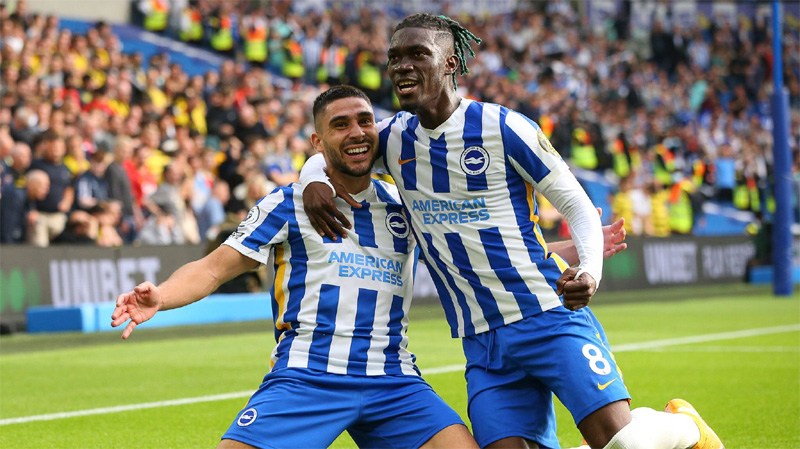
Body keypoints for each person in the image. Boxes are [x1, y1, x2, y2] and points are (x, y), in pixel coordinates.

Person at [300, 14, 723, 449]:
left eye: (417, 54)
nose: (401, 66)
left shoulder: (502, 127)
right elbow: (333, 151)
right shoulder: (392, 139)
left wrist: (590, 272)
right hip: (482, 343)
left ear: (449, 63)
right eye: (394, 58)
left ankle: (684, 425)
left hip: (547, 314)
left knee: (623, 444)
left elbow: (576, 204)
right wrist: (313, 178)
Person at [111, 85, 479, 449]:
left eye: (364, 121)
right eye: (340, 125)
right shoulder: (287, 204)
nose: (356, 132)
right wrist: (162, 295)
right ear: (318, 142)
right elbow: (212, 269)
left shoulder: (405, 205)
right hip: (307, 376)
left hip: (393, 379)